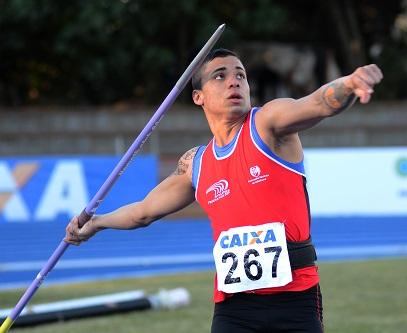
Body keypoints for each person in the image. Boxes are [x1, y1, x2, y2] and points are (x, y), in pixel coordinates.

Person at [65, 48, 383, 332]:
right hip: (234, 309)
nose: (234, 82)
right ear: (198, 96)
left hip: (295, 299)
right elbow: (144, 211)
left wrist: (349, 84)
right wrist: (96, 223)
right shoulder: (197, 164)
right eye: (220, 76)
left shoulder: (268, 124)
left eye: (240, 75)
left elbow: (317, 104)